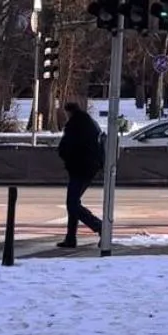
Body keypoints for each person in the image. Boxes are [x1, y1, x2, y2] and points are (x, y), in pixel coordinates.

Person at [56, 100, 105, 248]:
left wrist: (64, 155)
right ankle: (71, 238)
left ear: (68, 112)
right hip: (89, 167)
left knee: (72, 203)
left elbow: (66, 146)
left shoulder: (74, 125)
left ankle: (99, 226)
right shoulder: (90, 123)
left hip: (80, 168)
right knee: (73, 203)